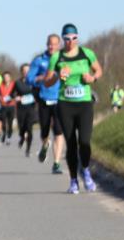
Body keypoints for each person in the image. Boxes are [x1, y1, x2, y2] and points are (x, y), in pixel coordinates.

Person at [42, 23, 103, 194]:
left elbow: (98, 70)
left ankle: (86, 171)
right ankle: (73, 180)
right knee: (71, 143)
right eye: (67, 38)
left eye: (74, 38)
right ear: (63, 39)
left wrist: (92, 78)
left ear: (77, 37)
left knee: (84, 141)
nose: (71, 41)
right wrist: (57, 77)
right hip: (65, 104)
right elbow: (47, 82)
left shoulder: (86, 53)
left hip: (84, 104)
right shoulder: (57, 57)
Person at [27, 34, 66, 174]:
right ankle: (45, 144)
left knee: (59, 131)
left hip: (60, 99)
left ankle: (56, 163)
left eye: (54, 44)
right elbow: (29, 79)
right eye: (49, 44)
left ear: (59, 45)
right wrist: (40, 78)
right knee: (44, 130)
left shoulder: (64, 59)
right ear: (46, 44)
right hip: (44, 99)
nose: (51, 46)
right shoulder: (39, 60)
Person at [12, 63, 38, 157]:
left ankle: (28, 149)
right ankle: (22, 138)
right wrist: (16, 97)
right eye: (24, 71)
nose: (26, 72)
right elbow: (12, 94)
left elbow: (38, 92)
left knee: (29, 129)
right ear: (21, 72)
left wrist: (36, 98)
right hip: (21, 109)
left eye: (28, 71)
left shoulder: (34, 82)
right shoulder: (17, 83)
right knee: (22, 128)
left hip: (31, 108)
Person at [0, 72, 17, 146]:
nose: (6, 78)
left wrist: (14, 97)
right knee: (3, 122)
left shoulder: (14, 84)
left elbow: (17, 93)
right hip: (3, 106)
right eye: (5, 77)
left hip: (11, 106)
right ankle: (4, 133)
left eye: (7, 77)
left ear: (10, 78)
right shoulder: (0, 85)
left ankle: (9, 137)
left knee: (10, 122)